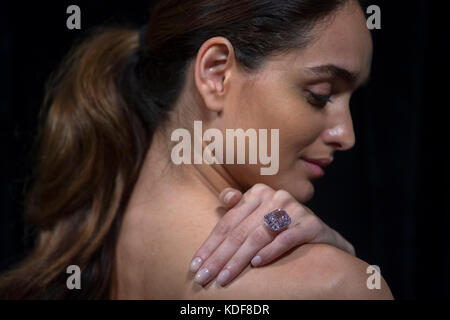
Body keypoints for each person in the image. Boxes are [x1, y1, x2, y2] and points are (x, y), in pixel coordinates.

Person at [0, 0, 393, 299]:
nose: (347, 134)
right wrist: (345, 274)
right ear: (216, 73)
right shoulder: (334, 286)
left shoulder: (98, 237)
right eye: (320, 95)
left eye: (351, 101)